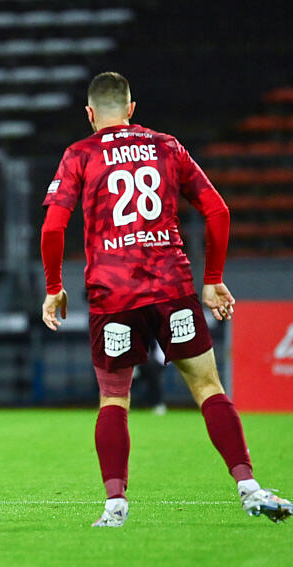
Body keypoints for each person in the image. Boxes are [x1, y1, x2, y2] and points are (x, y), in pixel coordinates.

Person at [40, 72, 292, 526]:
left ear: (91, 113)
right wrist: (212, 278)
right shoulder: (167, 147)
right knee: (209, 388)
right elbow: (218, 209)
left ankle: (115, 505)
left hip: (113, 293)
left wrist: (53, 287)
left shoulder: (79, 154)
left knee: (114, 398)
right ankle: (249, 488)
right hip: (170, 285)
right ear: (132, 109)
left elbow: (53, 227)